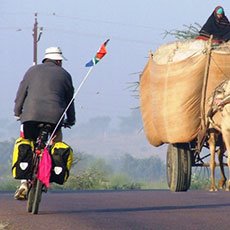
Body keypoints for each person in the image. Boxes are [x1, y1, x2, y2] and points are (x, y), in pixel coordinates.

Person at [13, 46, 75, 200]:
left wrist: (17, 112)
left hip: (30, 116)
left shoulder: (32, 71)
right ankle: (49, 176)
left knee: (26, 141)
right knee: (56, 142)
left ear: (45, 59)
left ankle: (23, 182)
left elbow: (21, 93)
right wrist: (71, 120)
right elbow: (69, 102)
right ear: (59, 60)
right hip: (55, 118)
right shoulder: (65, 75)